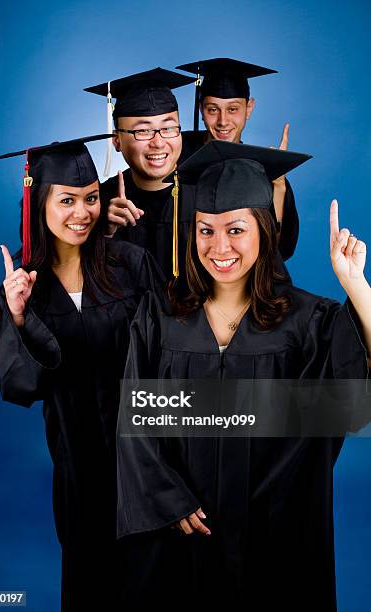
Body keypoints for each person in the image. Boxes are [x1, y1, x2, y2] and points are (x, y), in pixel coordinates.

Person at [116, 142, 370, 612]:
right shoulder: (160, 315)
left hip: (275, 533)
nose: (219, 247)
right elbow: (137, 422)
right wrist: (167, 498)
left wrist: (356, 284)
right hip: (183, 530)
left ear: (265, 231)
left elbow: (356, 402)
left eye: (236, 229)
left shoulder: (309, 321)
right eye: (205, 230)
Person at [0, 136, 162, 611]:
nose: (82, 212)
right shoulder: (23, 288)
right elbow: (20, 386)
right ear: (39, 203)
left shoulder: (130, 265)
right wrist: (22, 319)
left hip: (147, 459)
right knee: (91, 585)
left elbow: (167, 354)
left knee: (155, 580)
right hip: (79, 468)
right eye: (67, 200)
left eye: (91, 198)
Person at [85, 67, 296, 278]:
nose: (158, 143)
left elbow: (268, 264)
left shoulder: (213, 193)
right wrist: (104, 232)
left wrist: (276, 186)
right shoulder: (100, 202)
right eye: (143, 131)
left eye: (168, 128)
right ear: (116, 140)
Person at [177, 57, 298, 260]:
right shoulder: (174, 152)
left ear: (248, 109)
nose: (223, 121)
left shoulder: (259, 168)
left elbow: (277, 251)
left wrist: (278, 186)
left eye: (233, 109)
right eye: (213, 109)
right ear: (201, 109)